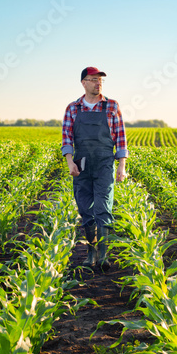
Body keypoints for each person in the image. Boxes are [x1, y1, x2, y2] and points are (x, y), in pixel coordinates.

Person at [61, 66, 128, 270]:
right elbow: (67, 138)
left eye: (100, 80)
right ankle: (91, 251)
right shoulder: (73, 108)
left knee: (103, 209)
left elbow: (121, 138)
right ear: (83, 83)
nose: (98, 83)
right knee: (85, 209)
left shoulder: (112, 106)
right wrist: (70, 162)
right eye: (93, 80)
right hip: (81, 165)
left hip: (104, 164)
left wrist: (121, 166)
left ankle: (103, 256)